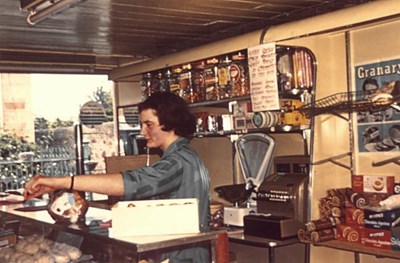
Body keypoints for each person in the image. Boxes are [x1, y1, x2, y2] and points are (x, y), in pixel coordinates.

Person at [24, 91, 211, 263]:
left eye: (149, 124)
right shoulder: (186, 156)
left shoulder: (176, 162)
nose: (142, 132)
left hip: (183, 257)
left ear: (171, 124)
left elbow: (130, 183)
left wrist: (59, 181)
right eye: (142, 124)